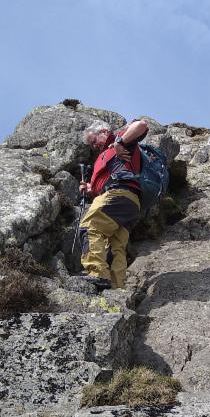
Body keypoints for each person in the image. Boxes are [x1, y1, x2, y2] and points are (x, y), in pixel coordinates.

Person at [78, 119, 149, 290]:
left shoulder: (119, 139)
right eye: (91, 144)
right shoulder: (105, 155)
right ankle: (118, 289)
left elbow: (142, 124)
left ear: (103, 131)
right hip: (131, 203)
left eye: (94, 141)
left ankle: (97, 272)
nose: (93, 146)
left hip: (118, 194)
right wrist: (90, 188)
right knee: (116, 246)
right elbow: (104, 183)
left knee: (89, 226)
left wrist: (119, 142)